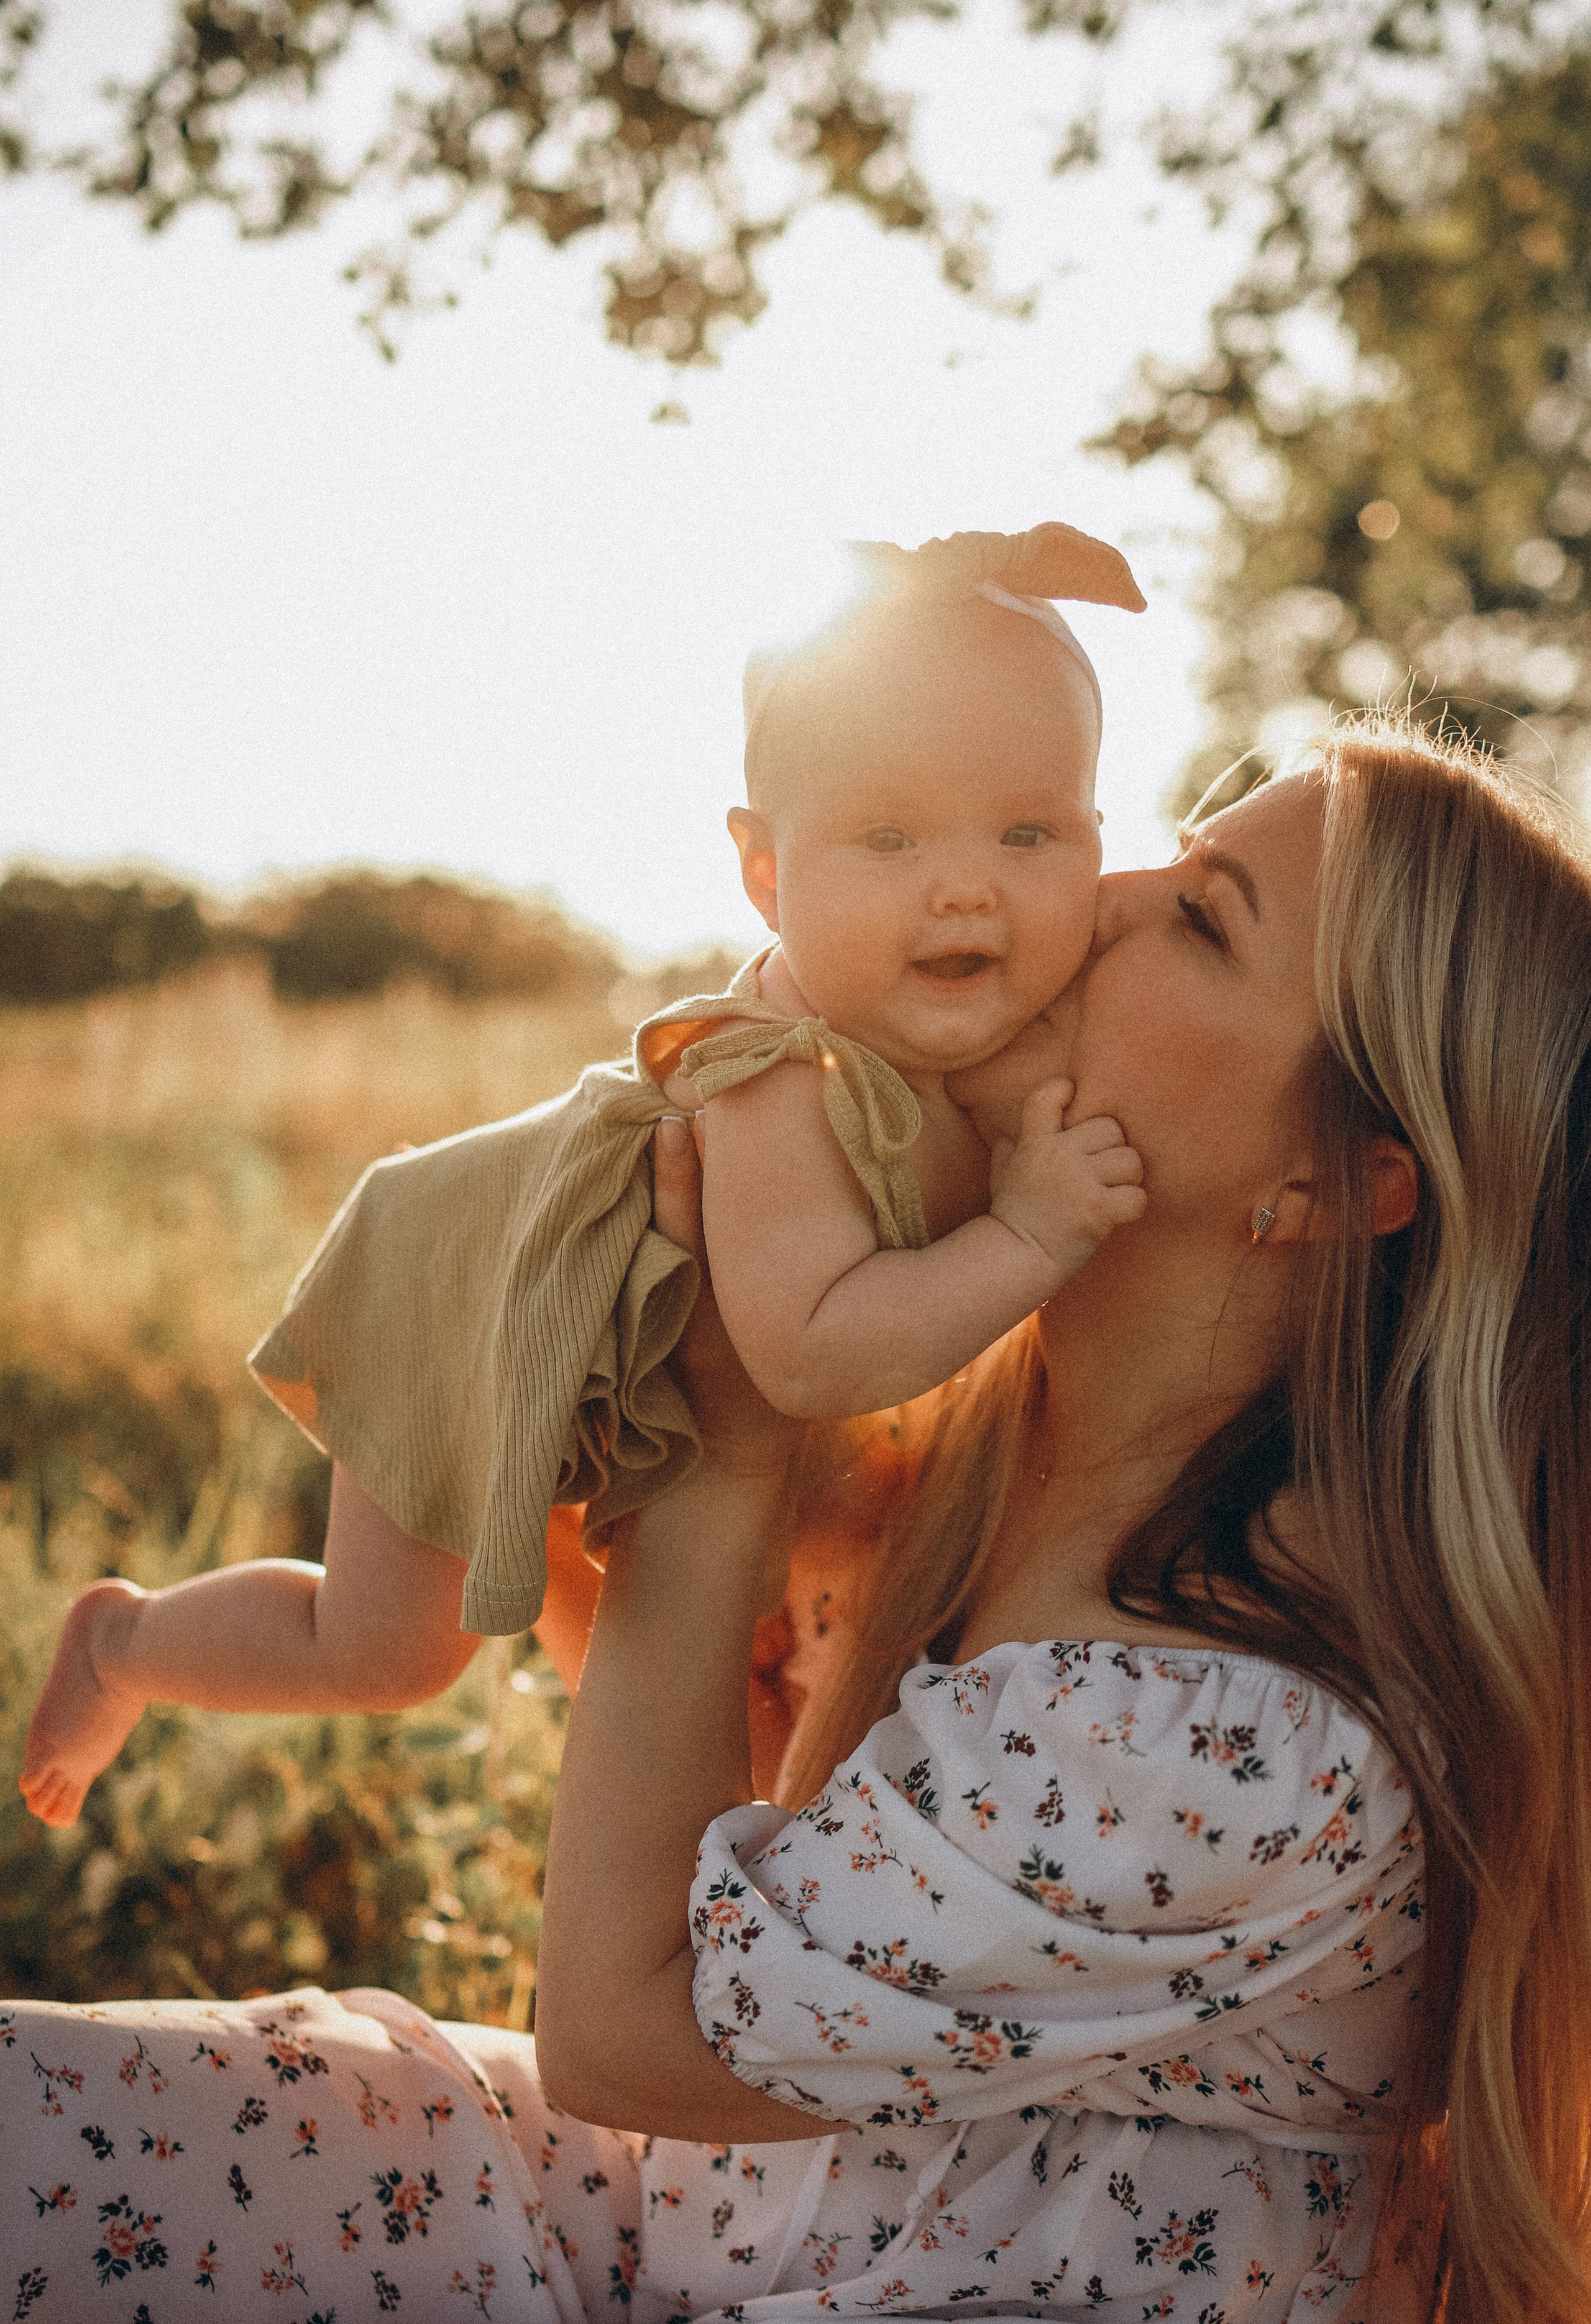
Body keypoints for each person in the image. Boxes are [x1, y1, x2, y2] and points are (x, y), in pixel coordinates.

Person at [4, 715, 1590, 2324]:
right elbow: (741, 1845)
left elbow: (631, 2037)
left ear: (1340, 1181)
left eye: (1201, 914)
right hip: (701, 2216)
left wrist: (725, 1450)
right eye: (1165, 848)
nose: (1094, 891)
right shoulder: (963, 1403)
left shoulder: (1242, 1723)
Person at [19, 521, 1149, 1833]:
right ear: (764, 871)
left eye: (1027, 832)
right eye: (888, 838)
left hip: (622, 1378)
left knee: (723, 1711)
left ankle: (710, 1923)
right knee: (385, 1648)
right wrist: (1027, 1234)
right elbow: (807, 1355)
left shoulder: (996, 1022)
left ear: (1096, 840)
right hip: (473, 1288)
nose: (966, 891)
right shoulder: (776, 1079)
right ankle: (123, 1644)